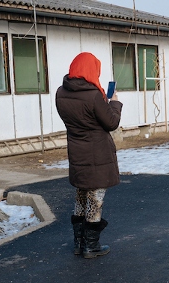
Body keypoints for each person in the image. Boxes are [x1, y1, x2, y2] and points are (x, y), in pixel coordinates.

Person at [55, 52, 123, 259]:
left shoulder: (60, 93)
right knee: (95, 198)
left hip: (77, 153)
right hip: (97, 154)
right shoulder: (93, 95)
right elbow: (111, 123)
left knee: (81, 196)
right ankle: (91, 246)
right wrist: (114, 102)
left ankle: (79, 243)